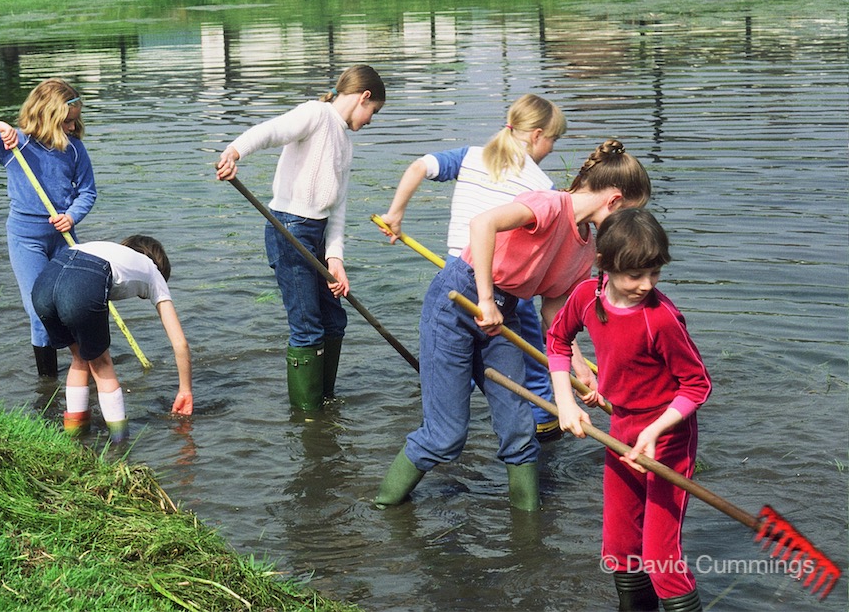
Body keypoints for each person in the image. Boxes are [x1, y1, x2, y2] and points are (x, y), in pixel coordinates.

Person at [375, 139, 651, 511]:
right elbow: (482, 223)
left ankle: (529, 536)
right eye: (630, 216)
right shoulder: (549, 204)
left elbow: (555, 311)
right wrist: (486, 299)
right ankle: (382, 510)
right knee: (446, 436)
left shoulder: (586, 246)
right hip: (459, 300)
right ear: (614, 201)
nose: (627, 229)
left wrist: (579, 364)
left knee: (520, 432)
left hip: (501, 317)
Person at [548, 208, 711, 612]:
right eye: (634, 275)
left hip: (667, 436)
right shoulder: (586, 296)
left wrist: (654, 432)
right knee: (620, 546)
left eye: (654, 273)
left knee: (660, 555)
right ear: (604, 265)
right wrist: (566, 402)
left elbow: (697, 385)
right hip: (620, 428)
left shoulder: (662, 318)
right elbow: (557, 341)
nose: (645, 285)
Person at [379, 94, 567, 440]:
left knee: (455, 351)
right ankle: (544, 420)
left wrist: (395, 214)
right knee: (531, 353)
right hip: (504, 282)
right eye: (554, 139)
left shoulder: (470, 156)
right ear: (538, 135)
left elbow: (420, 165)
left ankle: (445, 419)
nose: (553, 148)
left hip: (454, 273)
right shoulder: (543, 186)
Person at [215, 64, 386, 412]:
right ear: (363, 97)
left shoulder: (346, 145)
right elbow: (269, 132)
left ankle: (324, 403)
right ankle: (307, 416)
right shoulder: (316, 114)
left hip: (319, 235)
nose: (371, 120)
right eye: (374, 111)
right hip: (288, 229)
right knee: (307, 327)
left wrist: (335, 260)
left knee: (335, 321)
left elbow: (337, 208)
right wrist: (234, 152)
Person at [0, 79, 96, 378]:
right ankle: (48, 382)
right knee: (39, 312)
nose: (72, 128)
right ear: (47, 116)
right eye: (67, 122)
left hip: (63, 237)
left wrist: (71, 217)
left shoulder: (75, 149)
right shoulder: (14, 144)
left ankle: (88, 370)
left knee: (75, 305)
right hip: (25, 238)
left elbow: (87, 192)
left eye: (75, 121)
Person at [32, 235, 193, 442]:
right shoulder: (153, 271)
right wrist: (185, 390)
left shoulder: (107, 249)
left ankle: (75, 439)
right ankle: (119, 444)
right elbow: (180, 343)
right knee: (102, 363)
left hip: (45, 283)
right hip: (83, 281)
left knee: (80, 358)